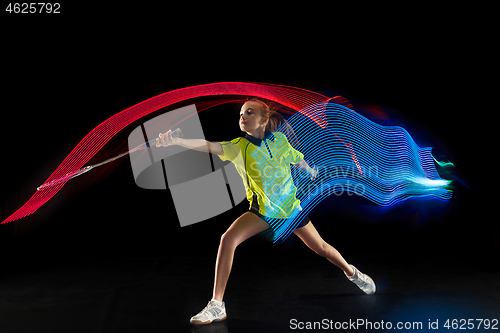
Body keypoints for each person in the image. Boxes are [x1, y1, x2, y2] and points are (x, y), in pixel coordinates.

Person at [156, 98, 376, 325]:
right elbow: (209, 146)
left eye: (249, 112)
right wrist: (177, 141)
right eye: (241, 113)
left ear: (264, 119)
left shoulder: (280, 140)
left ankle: (352, 273)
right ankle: (217, 305)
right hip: (262, 212)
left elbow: (296, 158)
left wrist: (309, 169)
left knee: (322, 248)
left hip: (291, 210)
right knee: (228, 239)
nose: (242, 116)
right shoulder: (237, 148)